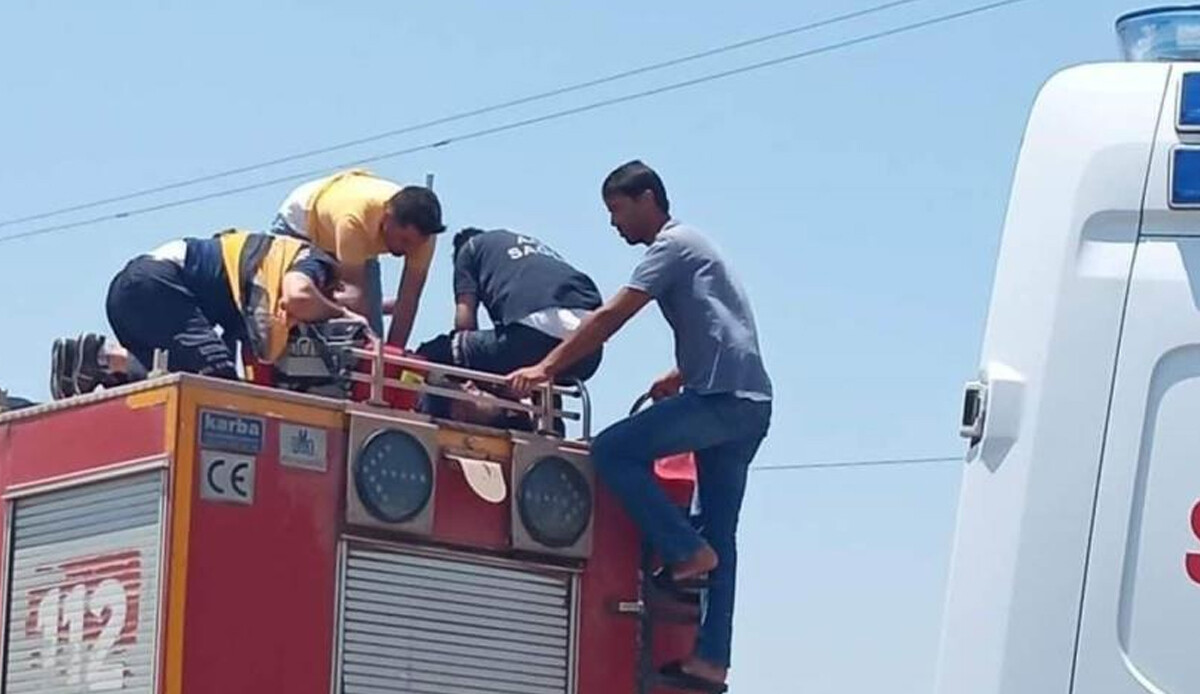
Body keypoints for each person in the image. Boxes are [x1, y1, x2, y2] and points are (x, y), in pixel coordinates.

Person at [509, 160, 772, 693]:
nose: (614, 224)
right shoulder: (699, 247)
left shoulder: (672, 247)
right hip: (750, 403)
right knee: (722, 532)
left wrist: (547, 367)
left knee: (611, 452)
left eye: (617, 210)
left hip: (721, 400)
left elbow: (612, 316)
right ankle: (712, 660)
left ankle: (682, 551)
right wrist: (679, 374)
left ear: (648, 198)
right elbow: (729, 327)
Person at [50, 229, 359, 399]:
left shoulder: (257, 284)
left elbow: (247, 352)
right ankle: (97, 355)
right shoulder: (314, 262)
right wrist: (342, 313)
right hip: (158, 285)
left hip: (140, 291)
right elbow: (300, 296)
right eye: (329, 294)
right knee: (217, 384)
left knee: (173, 380)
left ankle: (98, 359)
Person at [270, 168, 445, 344]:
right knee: (291, 313)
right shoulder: (355, 221)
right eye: (404, 240)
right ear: (388, 219)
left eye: (415, 244)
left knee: (372, 333)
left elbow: (409, 299)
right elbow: (352, 295)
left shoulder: (424, 238)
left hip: (352, 229)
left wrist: (391, 358)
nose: (410, 250)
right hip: (303, 223)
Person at [414, 227, 603, 380]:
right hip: (587, 354)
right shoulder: (526, 250)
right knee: (530, 373)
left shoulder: (469, 249)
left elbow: (464, 323)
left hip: (535, 337)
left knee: (437, 352)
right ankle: (548, 424)